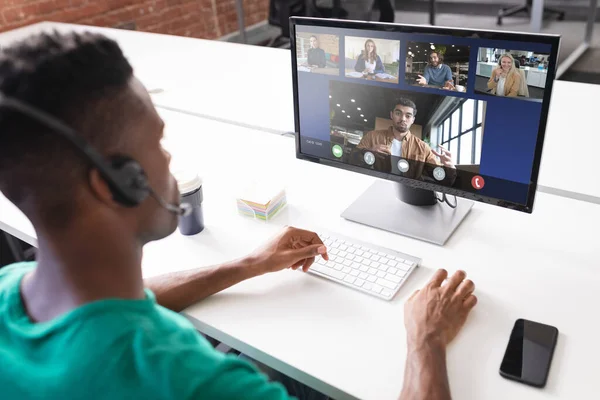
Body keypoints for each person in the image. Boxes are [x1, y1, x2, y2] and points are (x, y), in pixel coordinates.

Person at [0, 32, 477, 400]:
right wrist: (426, 341)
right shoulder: (195, 382)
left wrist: (247, 265)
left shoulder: (13, 288)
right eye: (158, 143)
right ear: (121, 183)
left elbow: (113, 309)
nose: (169, 160)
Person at [354, 98, 455, 182]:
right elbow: (352, 160)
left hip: (408, 196)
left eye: (408, 115)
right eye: (398, 113)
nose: (403, 119)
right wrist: (368, 152)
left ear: (413, 120)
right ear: (391, 115)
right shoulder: (372, 136)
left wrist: (450, 168)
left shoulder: (423, 147)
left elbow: (442, 179)